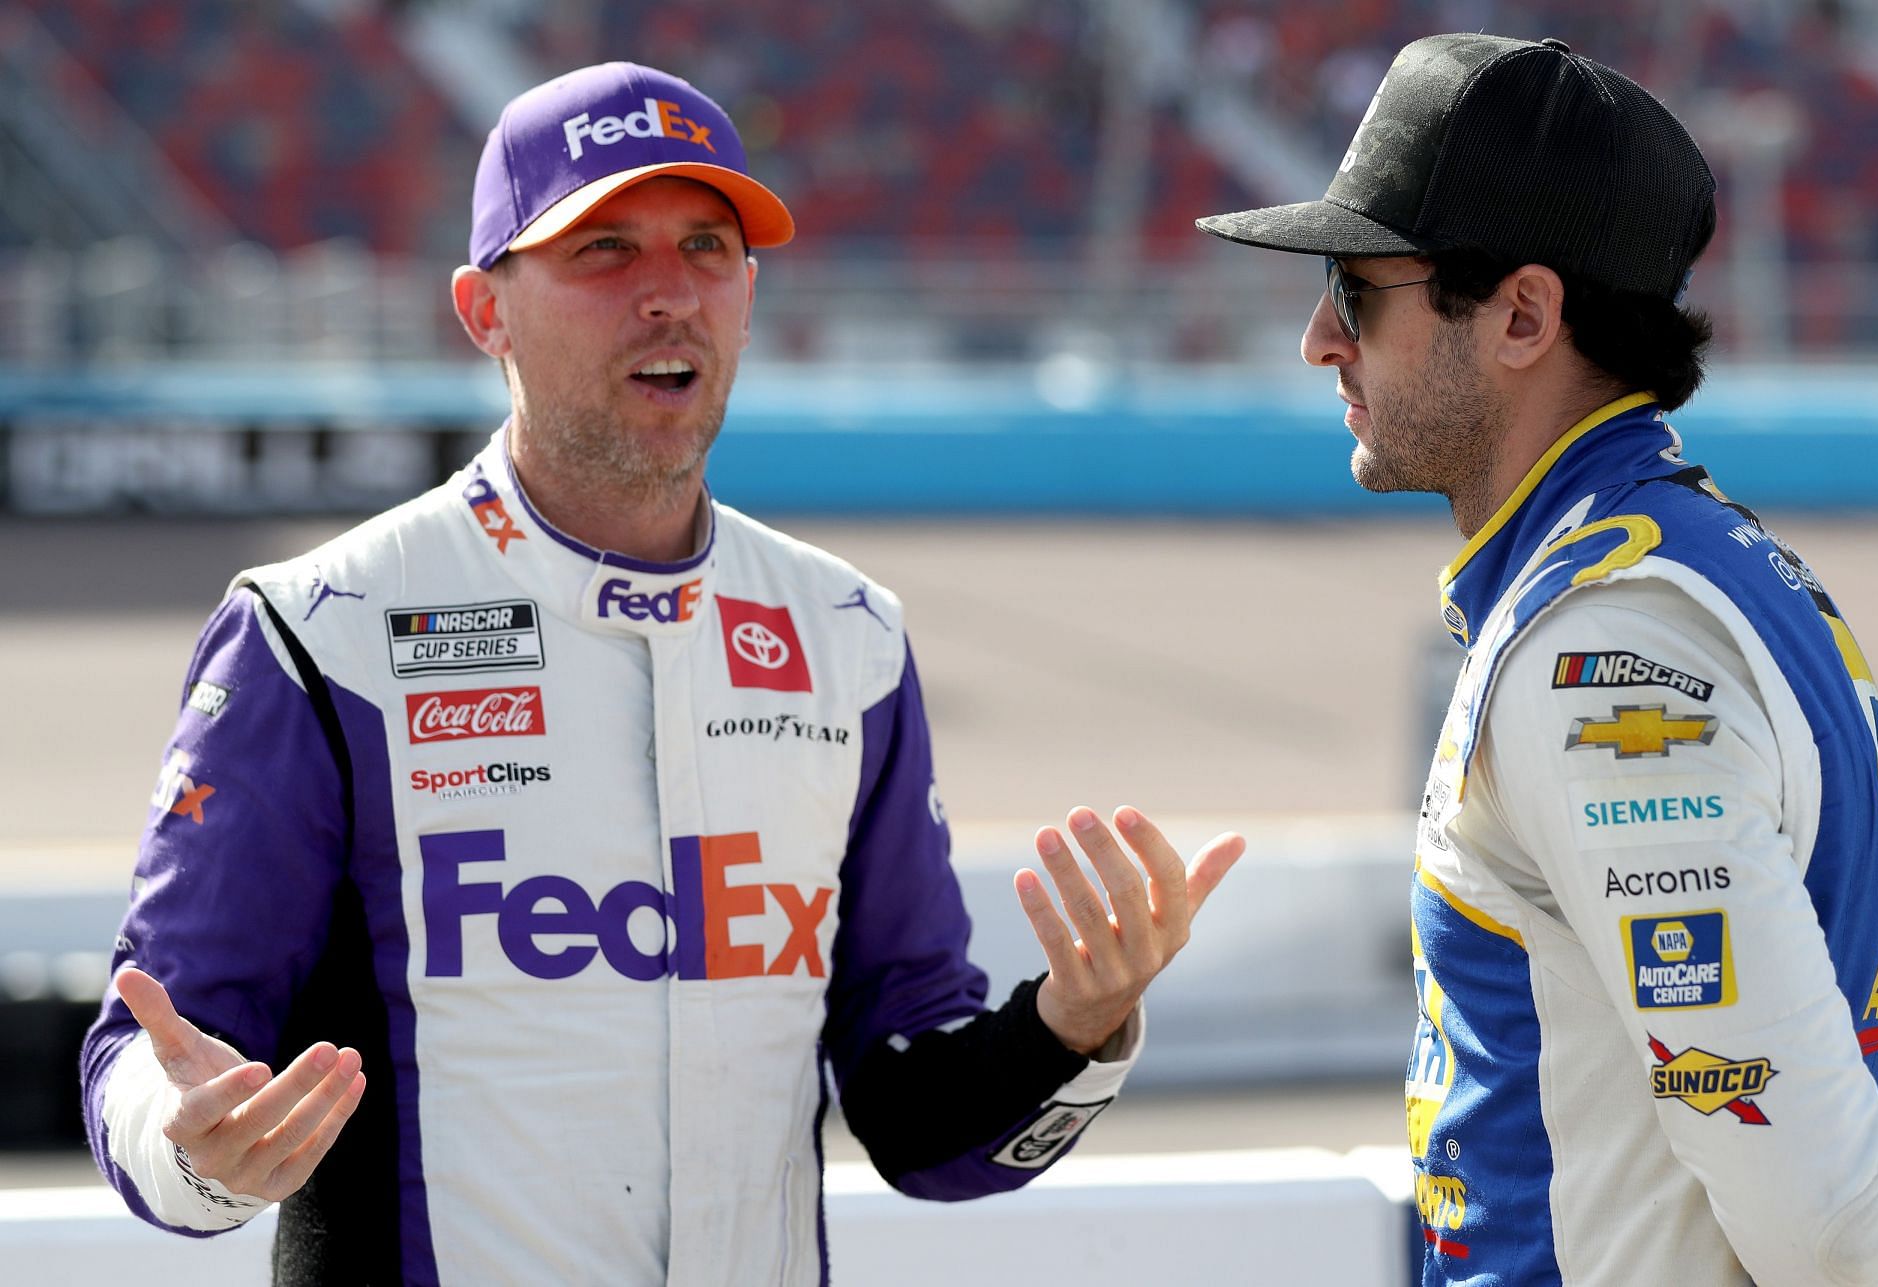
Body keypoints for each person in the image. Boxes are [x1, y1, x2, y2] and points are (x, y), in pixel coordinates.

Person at [80, 62, 1244, 1285]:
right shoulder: (321, 631)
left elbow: (918, 1129)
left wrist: (1074, 1024)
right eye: (604, 251)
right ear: (485, 310)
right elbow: (153, 1047)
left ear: (749, 293)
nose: (668, 295)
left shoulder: (847, 638)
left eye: (705, 246)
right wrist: (193, 1150)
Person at [1198, 33, 1878, 1286]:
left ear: (1523, 314)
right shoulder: (1719, 573)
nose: (1321, 340)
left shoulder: (1608, 649)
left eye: (1359, 289)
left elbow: (1828, 1223)